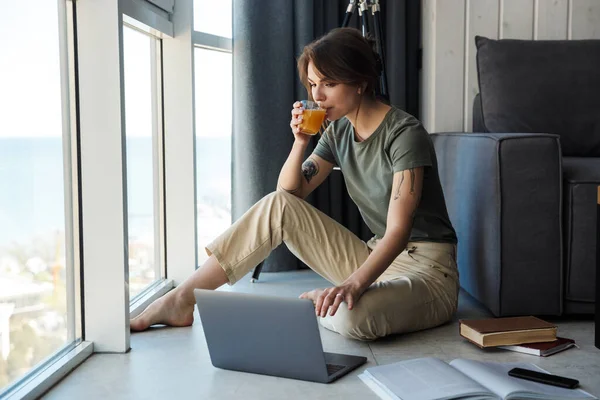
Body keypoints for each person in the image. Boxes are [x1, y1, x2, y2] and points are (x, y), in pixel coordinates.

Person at [130, 27, 459, 341]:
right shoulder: (337, 131)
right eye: (313, 84)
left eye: (328, 83)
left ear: (360, 82)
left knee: (351, 317)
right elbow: (288, 198)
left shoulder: (404, 134)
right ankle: (183, 299)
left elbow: (399, 231)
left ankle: (334, 300)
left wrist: (353, 286)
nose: (317, 95)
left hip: (427, 273)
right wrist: (300, 141)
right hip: (373, 256)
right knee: (277, 205)